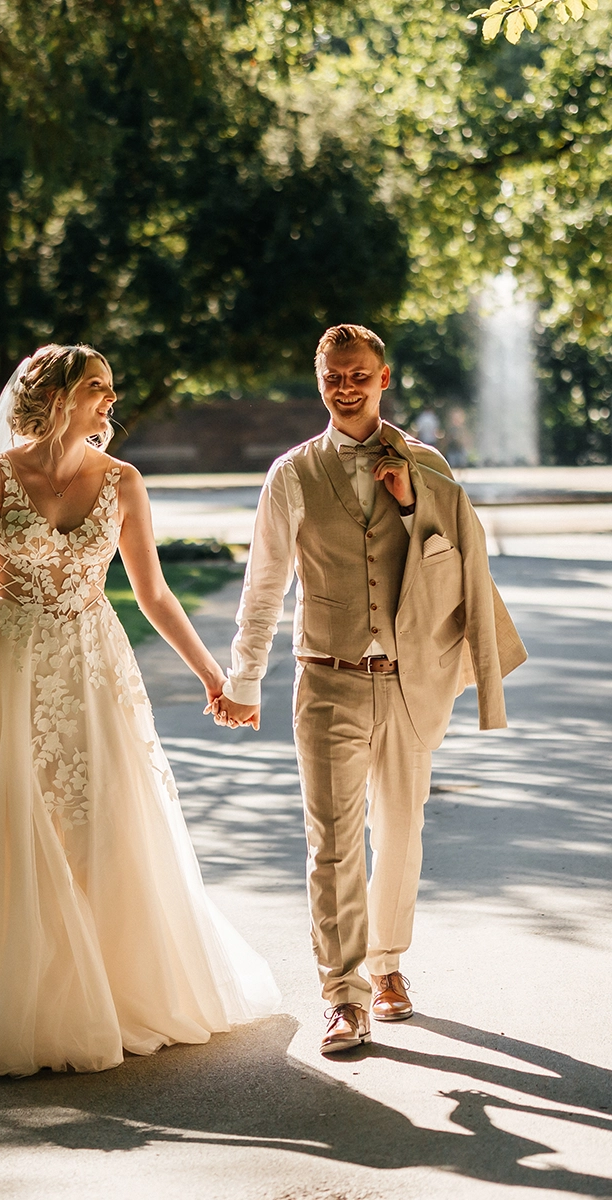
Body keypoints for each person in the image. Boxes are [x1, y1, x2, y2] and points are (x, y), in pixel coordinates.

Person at [0, 343, 279, 1078]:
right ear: (56, 396)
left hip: (91, 666)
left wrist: (216, 677)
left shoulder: (123, 481)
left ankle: (109, 994)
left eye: (111, 389)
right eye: (97, 388)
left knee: (99, 818)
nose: (109, 401)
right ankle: (9, 1002)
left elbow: (152, 593)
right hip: (4, 663)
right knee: (7, 822)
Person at [212, 324, 525, 1056]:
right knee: (332, 845)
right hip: (327, 680)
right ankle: (343, 994)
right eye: (332, 375)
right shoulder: (291, 473)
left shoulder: (429, 463)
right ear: (318, 380)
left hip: (412, 682)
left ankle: (389, 967)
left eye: (358, 374)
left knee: (403, 833)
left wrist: (413, 505)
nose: (345, 386)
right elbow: (263, 588)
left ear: (384, 379)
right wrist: (245, 679)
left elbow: (463, 557)